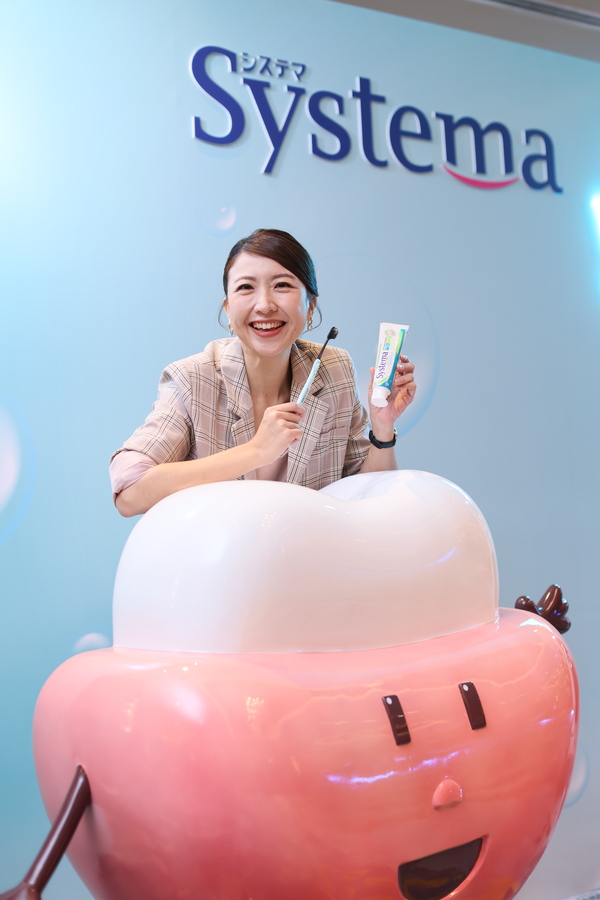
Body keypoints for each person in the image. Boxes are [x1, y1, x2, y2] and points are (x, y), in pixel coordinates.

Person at [110, 229, 416, 516]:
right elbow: (129, 492)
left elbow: (365, 493)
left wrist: (382, 427)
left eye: (282, 285)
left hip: (310, 554)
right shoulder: (193, 378)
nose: (265, 305)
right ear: (228, 309)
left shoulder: (334, 369)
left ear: (311, 306)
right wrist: (256, 451)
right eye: (246, 287)